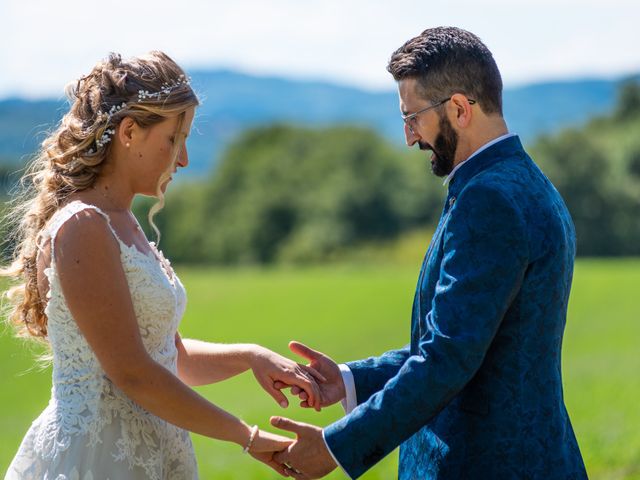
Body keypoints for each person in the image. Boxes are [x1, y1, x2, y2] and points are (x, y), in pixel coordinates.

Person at [270, 27, 589, 479]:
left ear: (459, 108)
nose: (409, 136)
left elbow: (448, 357)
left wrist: (333, 447)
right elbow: (471, 342)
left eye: (413, 117)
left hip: (486, 465)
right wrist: (347, 380)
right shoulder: (526, 182)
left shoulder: (489, 200)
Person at [1, 51, 325, 479]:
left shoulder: (123, 223)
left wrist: (251, 356)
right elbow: (133, 372)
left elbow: (168, 356)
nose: (184, 158)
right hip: (97, 460)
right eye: (174, 139)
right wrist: (246, 435)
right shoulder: (83, 225)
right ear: (130, 132)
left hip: (152, 455)